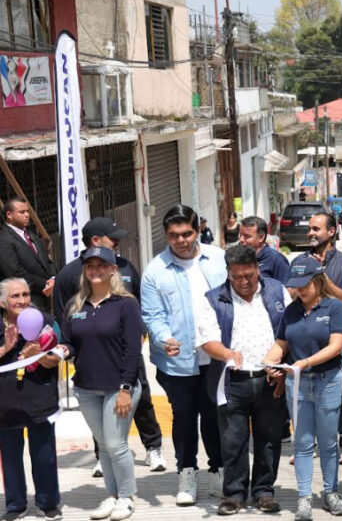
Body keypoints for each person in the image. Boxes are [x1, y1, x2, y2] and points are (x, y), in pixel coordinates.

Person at [52, 218, 166, 477]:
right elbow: (63, 316)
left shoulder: (124, 266)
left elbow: (140, 300)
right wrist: (66, 349)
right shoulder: (69, 274)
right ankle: (100, 457)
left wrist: (141, 333)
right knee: (99, 415)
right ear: (95, 240)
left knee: (142, 398)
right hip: (90, 357)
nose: (118, 242)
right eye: (112, 238)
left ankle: (153, 447)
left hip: (126, 351)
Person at [141, 205, 226, 506]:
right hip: (177, 361)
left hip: (216, 356)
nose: (181, 240)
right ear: (166, 235)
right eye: (174, 235)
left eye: (187, 233)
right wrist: (165, 339)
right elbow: (152, 315)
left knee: (215, 417)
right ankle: (186, 472)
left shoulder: (218, 259)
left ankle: (218, 470)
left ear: (198, 230)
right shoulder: (154, 271)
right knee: (184, 417)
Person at [194, 245, 289, 515]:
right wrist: (227, 353)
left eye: (250, 275)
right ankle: (234, 493)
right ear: (228, 273)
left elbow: (287, 331)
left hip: (271, 378)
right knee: (233, 440)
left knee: (269, 438)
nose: (245, 282)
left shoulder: (276, 291)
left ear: (258, 269)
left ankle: (264, 491)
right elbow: (207, 340)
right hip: (232, 381)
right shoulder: (213, 298)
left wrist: (281, 368)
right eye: (238, 277)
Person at [263, 258, 342, 520]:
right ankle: (304, 497)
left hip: (328, 380)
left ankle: (330, 493)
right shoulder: (291, 311)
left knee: (327, 442)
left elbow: (336, 346)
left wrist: (305, 362)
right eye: (295, 286)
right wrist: (269, 362)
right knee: (301, 442)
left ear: (318, 280)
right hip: (297, 383)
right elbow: (281, 344)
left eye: (304, 285)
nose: (299, 291)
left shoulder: (335, 308)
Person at [62, 247, 143, 521]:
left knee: (116, 444)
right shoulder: (75, 305)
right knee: (103, 444)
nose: (95, 270)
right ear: (84, 271)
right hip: (86, 387)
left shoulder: (126, 304)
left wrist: (125, 388)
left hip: (118, 387)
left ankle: (127, 497)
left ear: (112, 269)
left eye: (101, 265)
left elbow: (133, 349)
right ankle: (113, 495)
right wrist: (59, 351)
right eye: (90, 266)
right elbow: (69, 344)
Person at [291, 212, 342, 463]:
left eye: (316, 228)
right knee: (306, 393)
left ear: (331, 232)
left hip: (335, 337)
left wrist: (320, 276)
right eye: (309, 228)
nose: (310, 233)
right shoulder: (298, 260)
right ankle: (309, 443)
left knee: (338, 391)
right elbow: (292, 294)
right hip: (304, 335)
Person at [0, 277, 63, 521]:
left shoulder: (45, 322)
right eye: (15, 296)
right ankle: (15, 504)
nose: (23, 300)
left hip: (40, 396)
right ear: (3, 302)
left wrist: (39, 355)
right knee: (10, 456)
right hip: (5, 401)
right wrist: (6, 347)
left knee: (44, 454)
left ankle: (48, 503)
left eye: (25, 294)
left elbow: (57, 358)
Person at [0, 196, 54, 310]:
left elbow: (47, 261)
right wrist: (44, 285)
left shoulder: (32, 235)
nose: (27, 215)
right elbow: (14, 271)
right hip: (25, 300)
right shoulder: (4, 238)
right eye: (22, 212)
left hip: (45, 297)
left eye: (28, 211)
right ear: (9, 215)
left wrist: (53, 278)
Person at [238, 216, 290, 284]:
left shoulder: (276, 260)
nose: (241, 239)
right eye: (240, 235)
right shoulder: (237, 258)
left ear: (261, 237)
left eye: (247, 236)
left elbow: (286, 290)